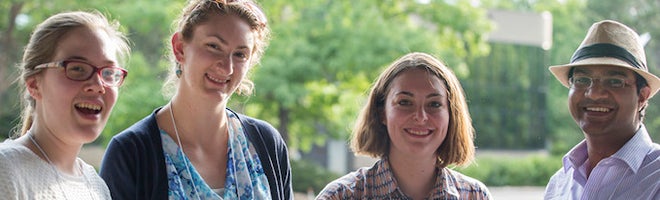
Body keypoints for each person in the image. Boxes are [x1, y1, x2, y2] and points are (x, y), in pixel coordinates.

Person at [99, 0, 292, 199]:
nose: (227, 67)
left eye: (240, 54)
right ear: (180, 48)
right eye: (214, 46)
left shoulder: (267, 143)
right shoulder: (130, 153)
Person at [316, 52, 492, 199]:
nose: (421, 117)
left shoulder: (474, 196)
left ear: (451, 115)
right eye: (405, 102)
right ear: (381, 112)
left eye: (434, 104)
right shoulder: (341, 196)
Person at [0, 11, 130, 199]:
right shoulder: (6, 170)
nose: (98, 86)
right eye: (77, 68)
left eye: (108, 73)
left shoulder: (96, 186)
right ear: (34, 84)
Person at [544, 20, 660, 199]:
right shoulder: (559, 184)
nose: (595, 94)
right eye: (582, 80)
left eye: (614, 81)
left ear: (642, 96)